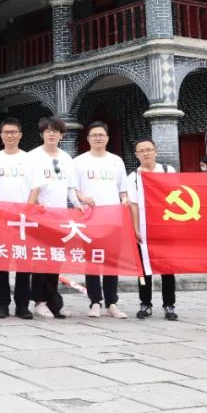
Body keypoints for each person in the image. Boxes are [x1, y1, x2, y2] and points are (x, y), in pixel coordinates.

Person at [0, 117, 39, 320]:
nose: (10, 136)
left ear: (20, 135)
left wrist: (27, 209)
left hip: (24, 220)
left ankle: (22, 305)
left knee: (24, 263)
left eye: (13, 132)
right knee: (1, 263)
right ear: (1, 135)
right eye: (6, 132)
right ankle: (3, 304)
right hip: (0, 220)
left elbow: (35, 187)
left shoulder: (30, 160)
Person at [73, 120, 129, 319]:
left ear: (107, 138)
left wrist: (124, 200)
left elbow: (123, 190)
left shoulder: (116, 161)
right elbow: (73, 189)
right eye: (94, 135)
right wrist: (82, 198)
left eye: (101, 135)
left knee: (111, 261)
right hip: (90, 218)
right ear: (88, 138)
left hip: (112, 219)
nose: (98, 138)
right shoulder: (79, 162)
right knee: (92, 261)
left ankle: (111, 302)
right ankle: (95, 301)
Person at [27, 116, 79, 319]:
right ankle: (39, 301)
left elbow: (70, 187)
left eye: (55, 131)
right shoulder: (32, 157)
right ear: (42, 134)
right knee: (40, 259)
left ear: (61, 135)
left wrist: (77, 204)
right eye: (47, 131)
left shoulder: (66, 158)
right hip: (39, 216)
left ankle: (53, 301)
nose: (51, 134)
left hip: (60, 217)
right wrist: (33, 206)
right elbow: (28, 186)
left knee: (55, 260)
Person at [126, 138, 178, 321]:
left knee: (167, 268)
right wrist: (135, 229)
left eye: (149, 149)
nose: (146, 153)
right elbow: (133, 205)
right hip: (144, 228)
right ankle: (145, 304)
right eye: (142, 151)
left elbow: (176, 195)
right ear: (136, 155)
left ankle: (169, 305)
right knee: (143, 270)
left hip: (165, 227)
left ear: (156, 151)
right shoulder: (133, 177)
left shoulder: (168, 171)